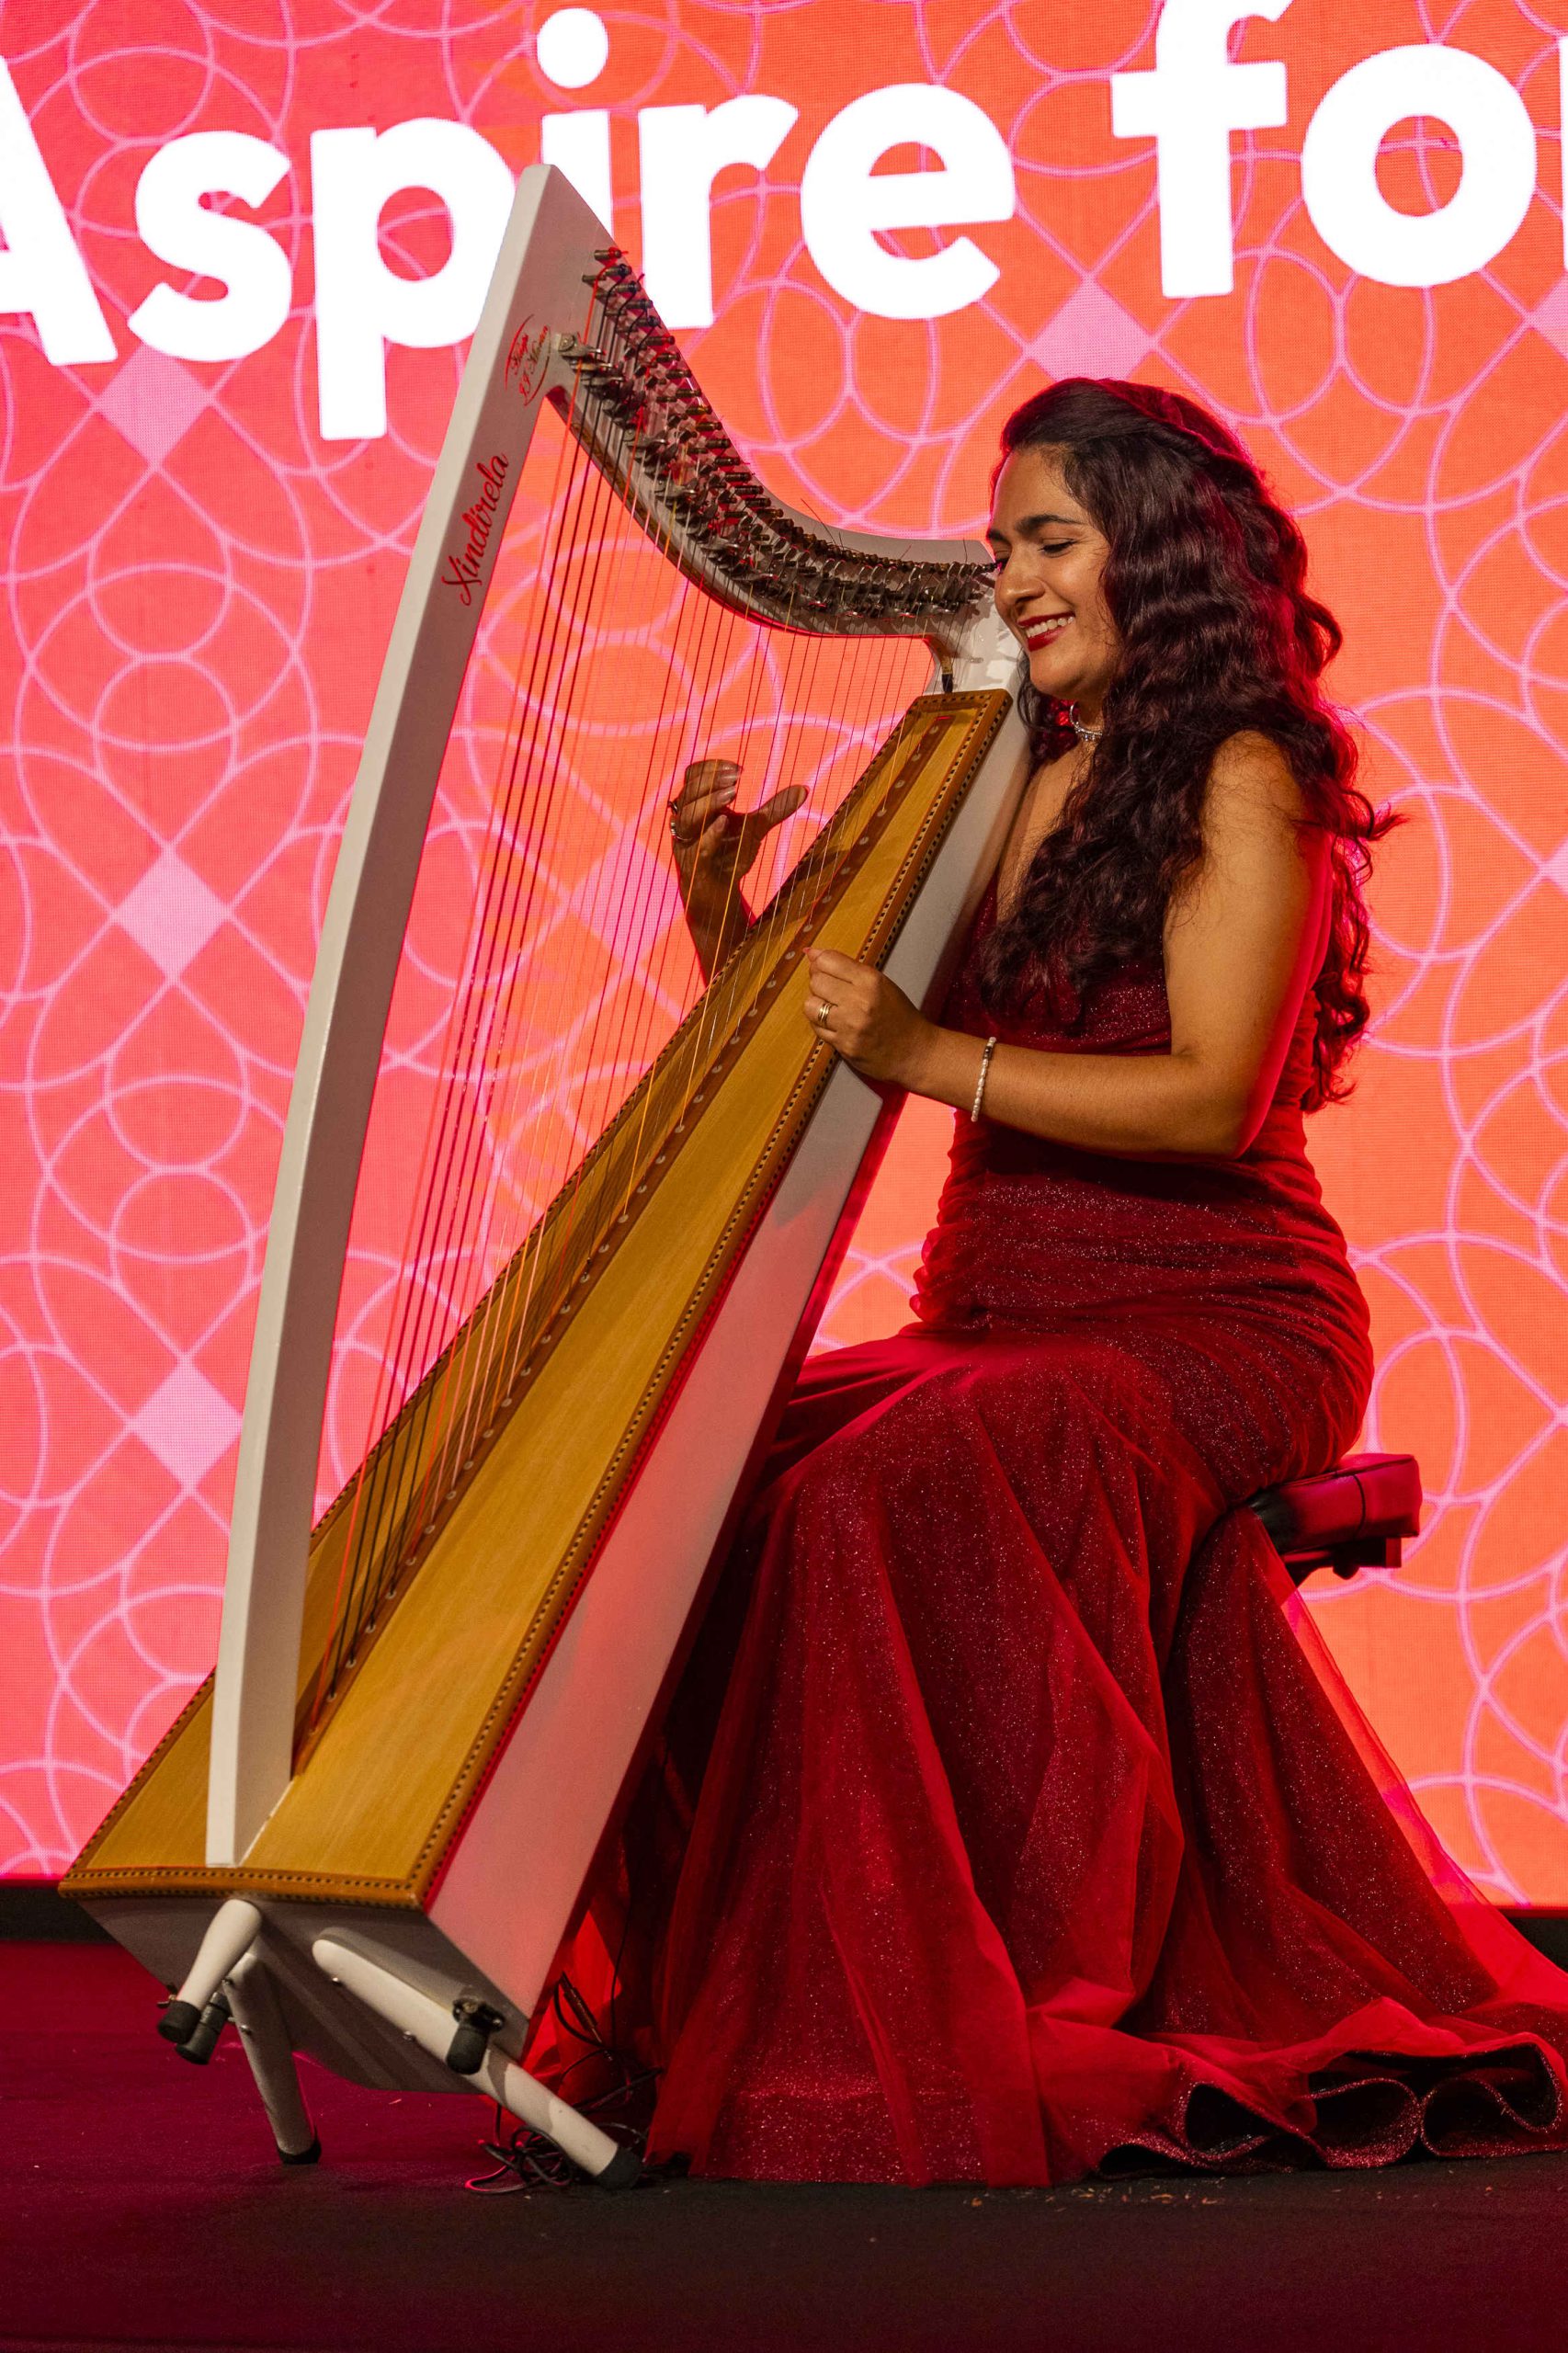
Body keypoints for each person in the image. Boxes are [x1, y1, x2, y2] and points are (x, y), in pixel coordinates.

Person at [628, 379, 1568, 2186]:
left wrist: (932, 1054)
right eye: (1001, 548)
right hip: (998, 1322)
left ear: (1151, 547)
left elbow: (1210, 1094)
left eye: (1047, 538)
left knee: (861, 1504)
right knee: (703, 1474)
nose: (1013, 576)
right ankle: (723, 1999)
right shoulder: (1008, 769)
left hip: (1211, 1320)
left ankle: (917, 2010)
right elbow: (843, 1041)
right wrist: (719, 927)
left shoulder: (1241, 775)